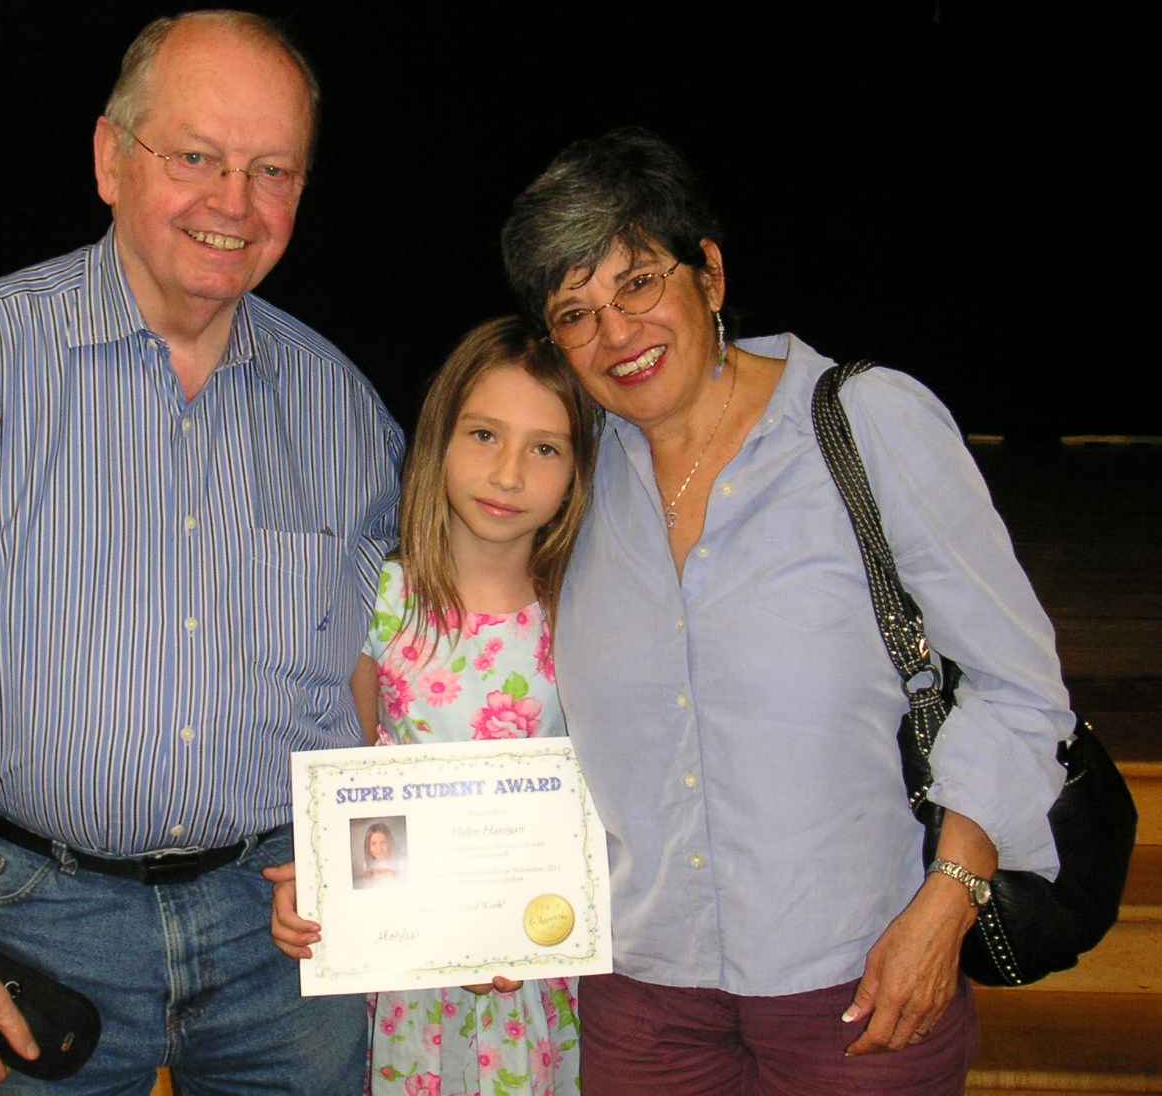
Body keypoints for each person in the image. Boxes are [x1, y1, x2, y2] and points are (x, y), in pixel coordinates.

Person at [0, 10, 401, 1094]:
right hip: (39, 919)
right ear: (107, 159)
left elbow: (377, 674)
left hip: (283, 933)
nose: (234, 203)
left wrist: (408, 881)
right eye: (195, 157)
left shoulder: (343, 409)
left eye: (272, 169)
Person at [497, 128, 1076, 1094]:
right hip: (641, 1002)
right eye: (575, 313)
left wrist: (950, 902)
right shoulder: (573, 471)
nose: (615, 334)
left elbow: (1020, 689)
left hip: (861, 988)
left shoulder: (862, 422)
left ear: (710, 274)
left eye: (637, 284)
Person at [267, 316, 600, 1096]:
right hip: (404, 979)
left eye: (545, 448)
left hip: (533, 978)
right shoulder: (377, 603)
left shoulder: (589, 613)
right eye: (484, 435)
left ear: (578, 470)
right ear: (439, 440)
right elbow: (345, 783)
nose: (510, 473)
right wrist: (311, 888)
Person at [357, 821, 404, 887]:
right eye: (373, 843)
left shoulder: (400, 863)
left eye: (383, 842)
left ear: (390, 843)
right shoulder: (366, 864)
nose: (379, 848)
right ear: (368, 846)